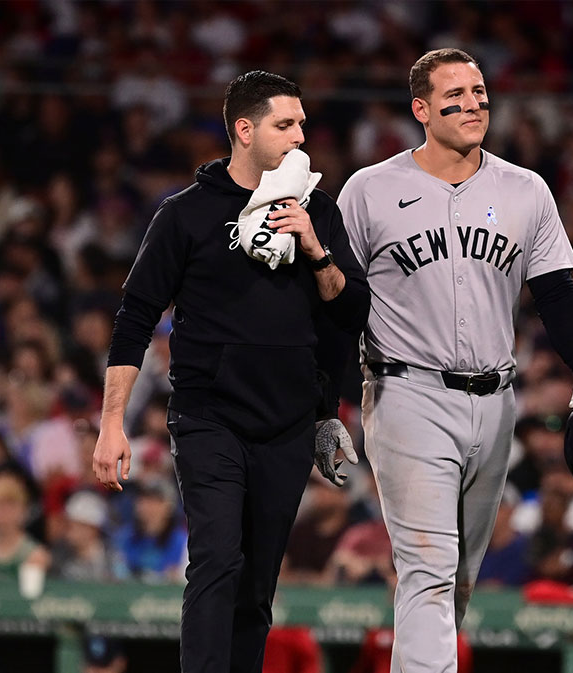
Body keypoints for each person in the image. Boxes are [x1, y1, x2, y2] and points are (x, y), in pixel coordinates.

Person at [337, 48, 573, 672]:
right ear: (421, 110)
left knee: (456, 580)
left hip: (496, 404)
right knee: (428, 569)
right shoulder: (371, 190)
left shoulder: (525, 189)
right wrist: (328, 402)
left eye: (480, 92)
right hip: (408, 392)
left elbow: (558, 293)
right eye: (454, 95)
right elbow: (338, 301)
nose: (472, 104)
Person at [92, 70, 369, 673]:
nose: (301, 136)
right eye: (285, 124)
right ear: (245, 130)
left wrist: (315, 246)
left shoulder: (319, 208)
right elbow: (135, 317)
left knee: (257, 583)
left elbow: (350, 312)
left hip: (288, 425)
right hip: (209, 417)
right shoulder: (185, 215)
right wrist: (112, 423)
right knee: (217, 560)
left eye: (302, 124)